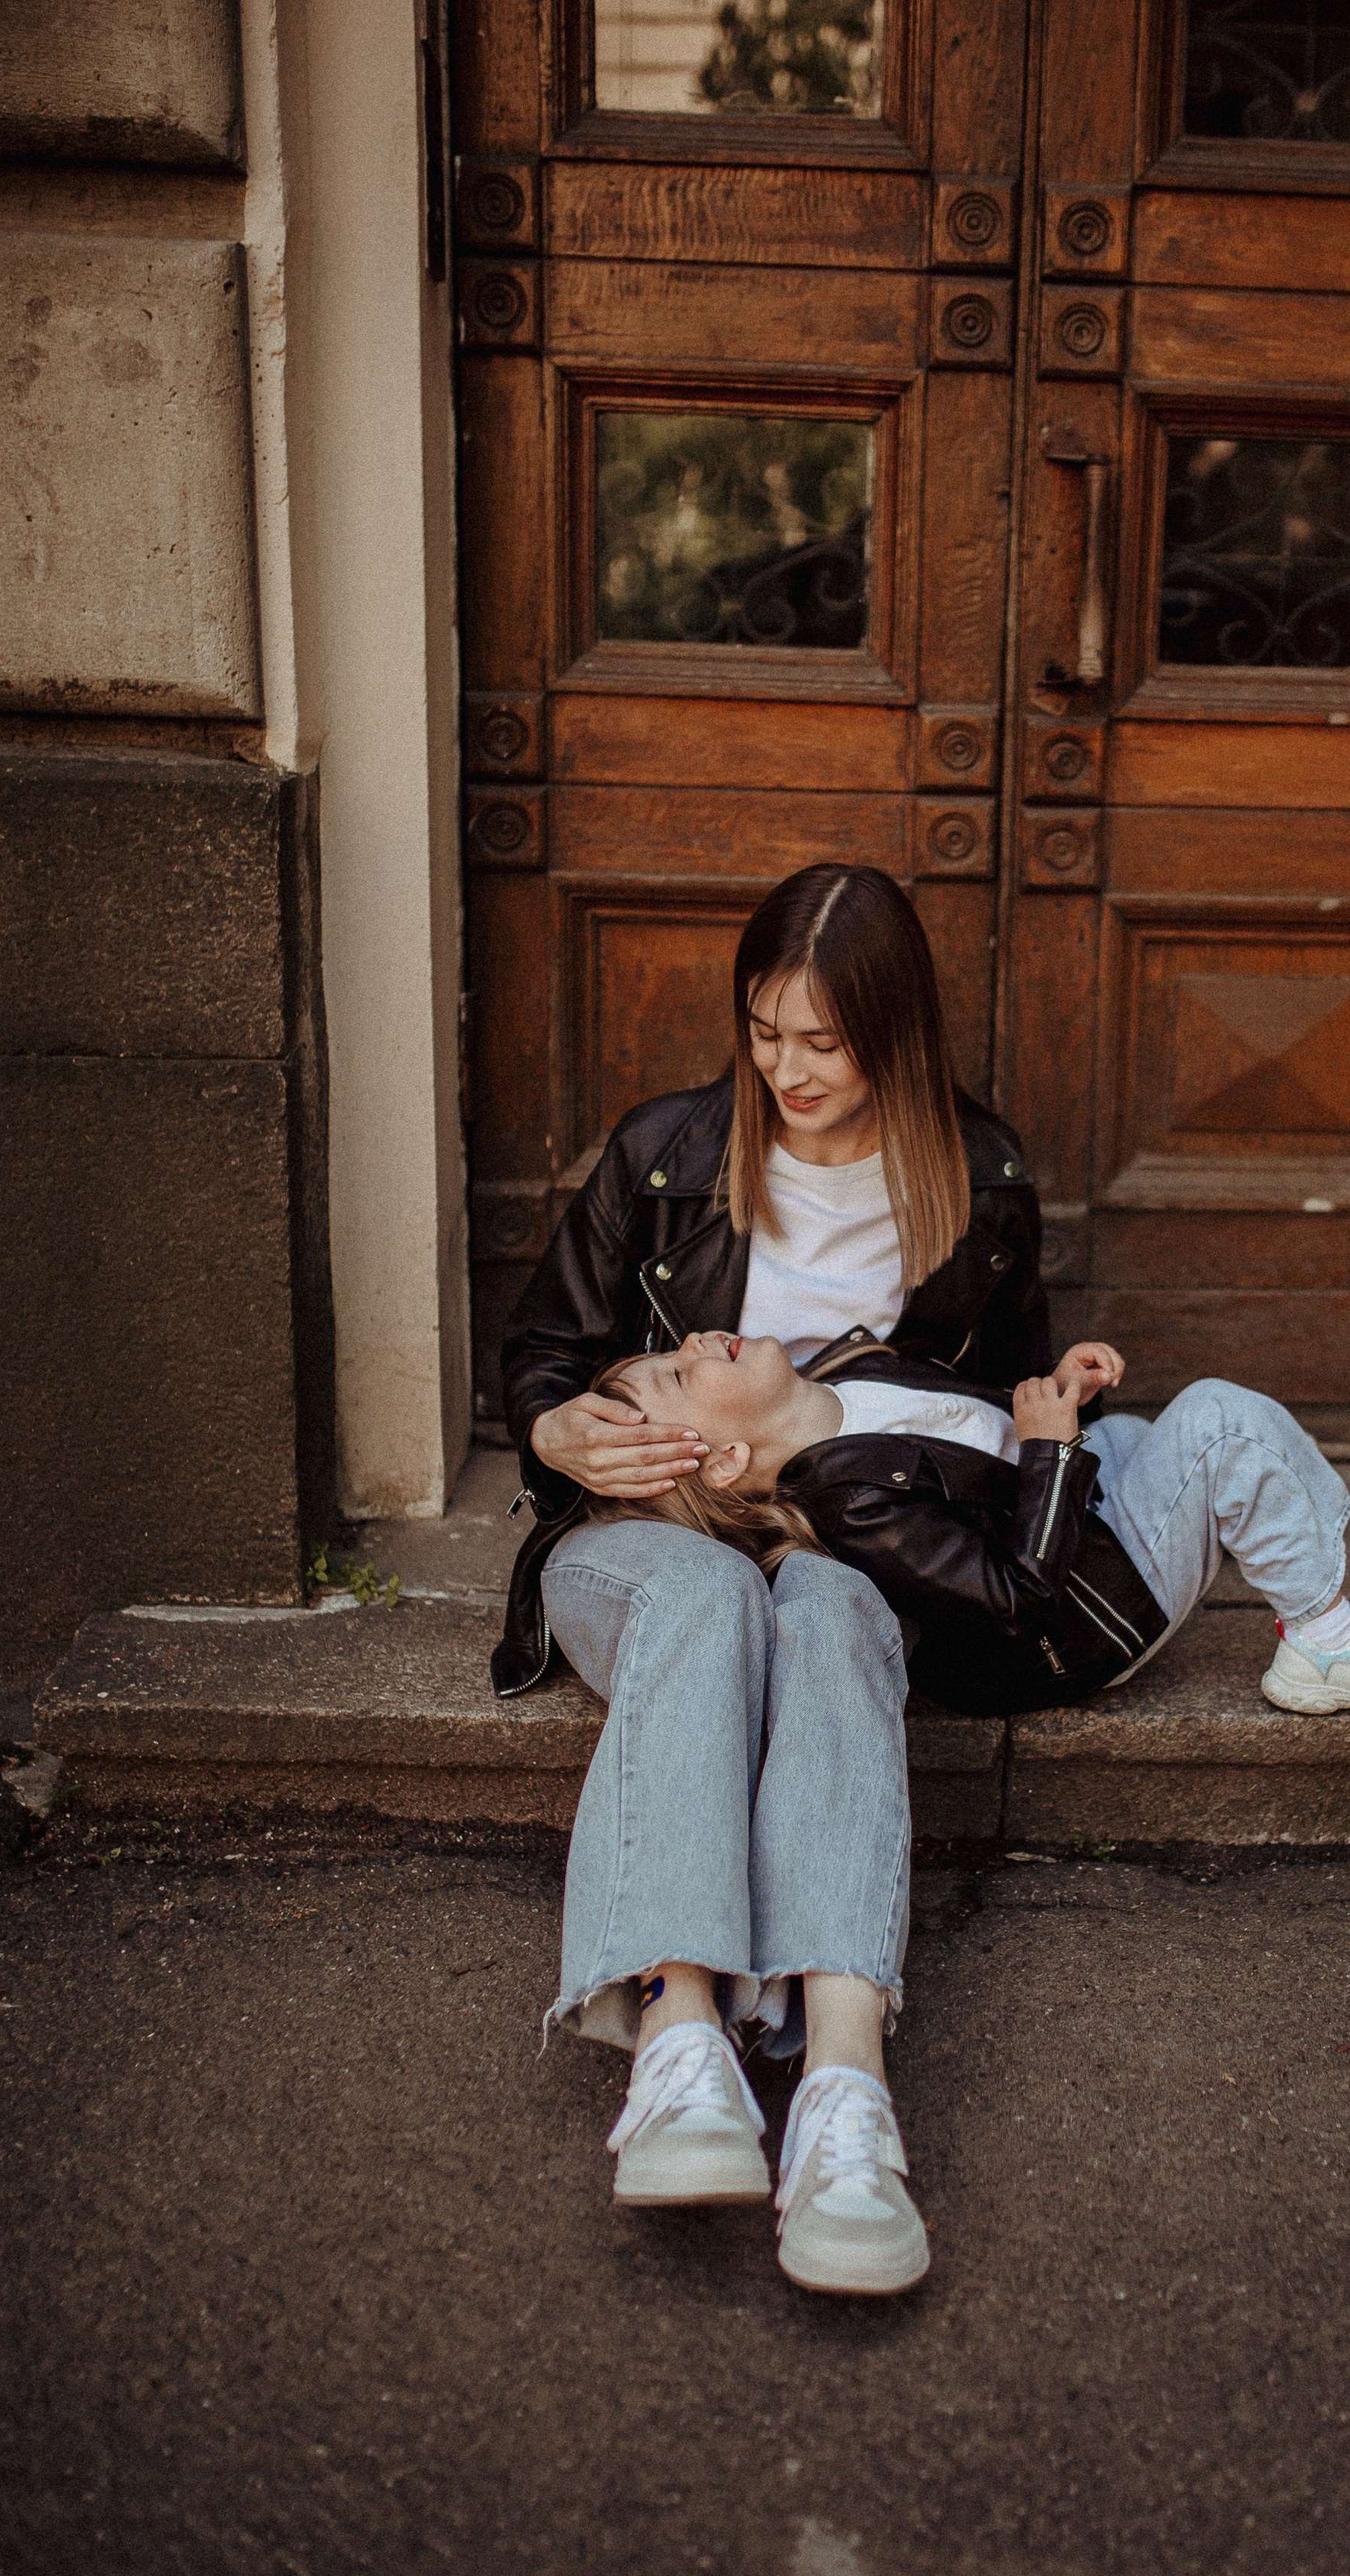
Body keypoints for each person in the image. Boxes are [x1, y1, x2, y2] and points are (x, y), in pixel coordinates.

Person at [494, 864, 1054, 2299]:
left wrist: (880, 1514)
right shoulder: (668, 1154)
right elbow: (542, 1360)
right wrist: (563, 1429)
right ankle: (682, 2045)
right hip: (644, 1538)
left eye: (825, 1041)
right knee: (708, 1598)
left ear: (898, 1031)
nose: (789, 1072)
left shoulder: (980, 1182)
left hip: (836, 1540)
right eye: (765, 1033)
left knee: (832, 1613)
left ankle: (843, 2099)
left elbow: (987, 1408)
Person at [591, 1328, 1350, 1726]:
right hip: (1081, 1613)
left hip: (1072, 1507)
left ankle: (1278, 1546)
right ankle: (1327, 1638)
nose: (697, 1339)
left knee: (1137, 1436)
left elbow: (974, 1435)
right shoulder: (852, 1507)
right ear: (726, 1462)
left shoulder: (847, 1372)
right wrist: (1048, 1456)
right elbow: (1015, 1599)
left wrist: (1054, 1400)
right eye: (679, 1372)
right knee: (1219, 1424)